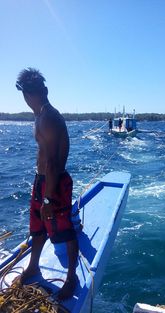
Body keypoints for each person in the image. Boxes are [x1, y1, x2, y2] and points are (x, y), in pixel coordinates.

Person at [15, 68, 79, 300]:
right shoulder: (39, 116)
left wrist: (48, 199)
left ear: (44, 92)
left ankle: (71, 278)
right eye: (26, 92)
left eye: (32, 92)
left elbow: (52, 162)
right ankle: (33, 266)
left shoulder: (50, 118)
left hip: (54, 183)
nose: (29, 97)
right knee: (37, 226)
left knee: (64, 231)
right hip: (42, 180)